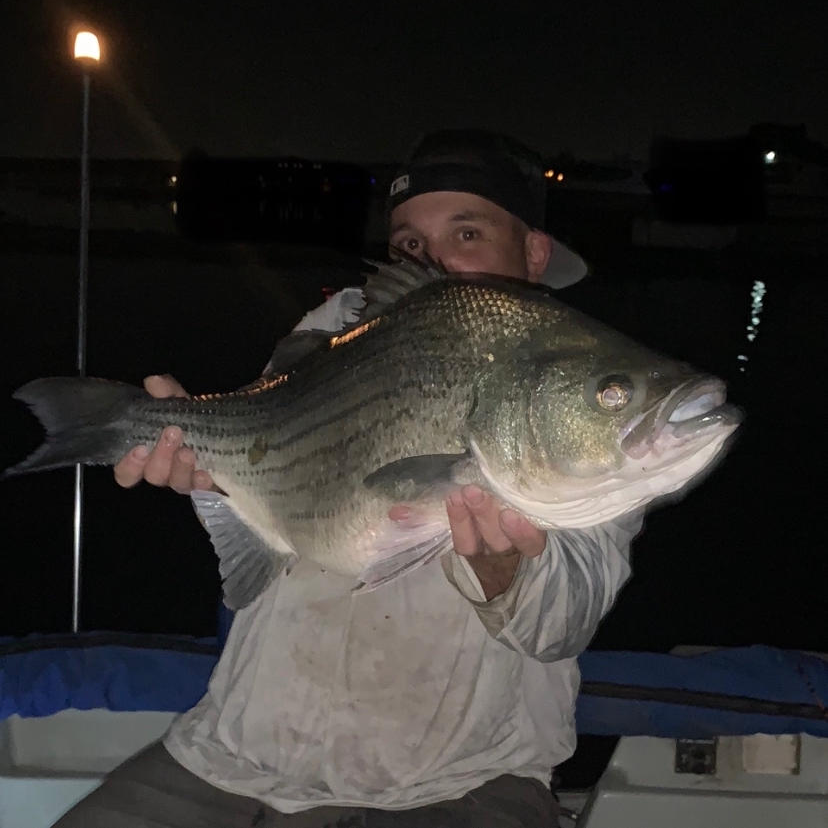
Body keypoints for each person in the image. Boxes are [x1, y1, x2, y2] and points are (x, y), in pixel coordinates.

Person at [54, 130, 639, 828]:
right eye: (408, 242)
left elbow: (566, 617)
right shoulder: (330, 338)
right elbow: (278, 495)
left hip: (458, 780)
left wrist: (509, 570)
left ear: (534, 253)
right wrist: (201, 467)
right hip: (237, 757)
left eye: (469, 231)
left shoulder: (567, 382)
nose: (435, 259)